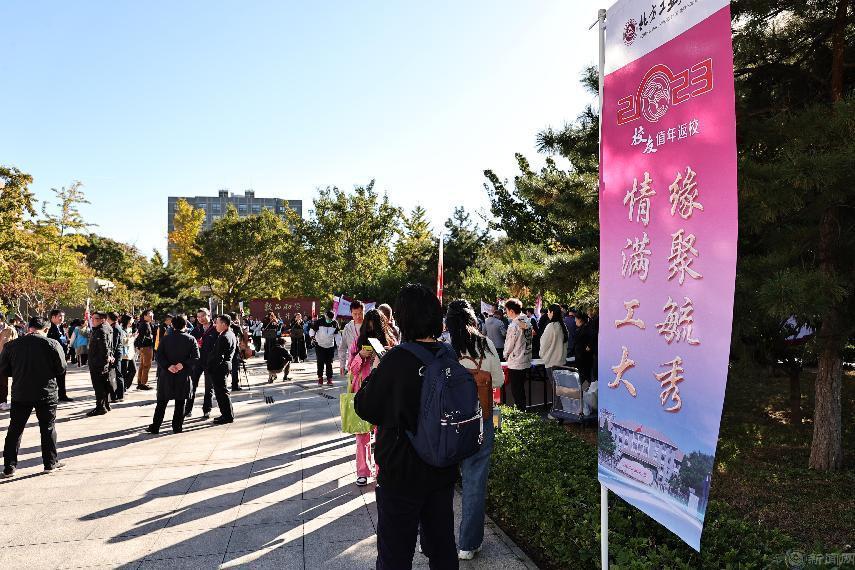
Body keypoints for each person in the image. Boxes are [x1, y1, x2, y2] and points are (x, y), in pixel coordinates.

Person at [354, 284, 459, 569]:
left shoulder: (397, 359)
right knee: (442, 546)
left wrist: (376, 373)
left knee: (395, 555)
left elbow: (365, 407)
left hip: (402, 470)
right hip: (442, 466)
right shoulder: (448, 355)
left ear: (403, 319)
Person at [444, 300, 503, 560]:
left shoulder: (445, 348)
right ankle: (468, 545)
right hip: (480, 420)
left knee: (442, 482)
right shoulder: (485, 344)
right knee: (475, 482)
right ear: (472, 319)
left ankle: (436, 538)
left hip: (449, 423)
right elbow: (498, 380)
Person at [1, 316, 67, 478]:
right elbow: (61, 368)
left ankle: (9, 466)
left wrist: (20, 372)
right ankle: (50, 463)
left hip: (21, 392)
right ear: (46, 329)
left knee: (15, 429)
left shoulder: (11, 345)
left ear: (29, 328)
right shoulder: (52, 344)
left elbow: (4, 370)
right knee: (48, 428)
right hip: (46, 392)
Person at [347, 308, 396, 486]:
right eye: (367, 328)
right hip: (363, 392)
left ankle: (381, 471)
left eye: (374, 328)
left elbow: (399, 368)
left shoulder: (391, 342)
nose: (370, 332)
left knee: (382, 434)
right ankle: (362, 472)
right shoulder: (357, 343)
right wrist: (360, 356)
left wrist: (388, 354)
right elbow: (351, 369)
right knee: (362, 434)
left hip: (384, 394)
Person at [147, 315, 200, 434]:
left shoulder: (165, 339)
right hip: (183, 374)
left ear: (172, 325)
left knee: (162, 402)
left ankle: (155, 426)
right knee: (180, 402)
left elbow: (158, 356)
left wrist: (168, 366)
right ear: (185, 325)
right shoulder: (191, 339)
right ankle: (177, 427)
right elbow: (196, 357)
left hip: (166, 374)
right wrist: (183, 364)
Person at [186, 308, 219, 419]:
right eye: (198, 317)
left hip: (210, 362)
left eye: (203, 316)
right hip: (197, 362)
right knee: (192, 385)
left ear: (209, 315)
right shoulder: (196, 330)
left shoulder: (216, 329)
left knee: (209, 387)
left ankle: (207, 409)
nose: (201, 319)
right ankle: (188, 409)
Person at [207, 314, 237, 425]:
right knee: (221, 392)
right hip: (223, 366)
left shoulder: (225, 336)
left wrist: (211, 367)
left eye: (217, 323)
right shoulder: (229, 334)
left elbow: (218, 356)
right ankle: (226, 414)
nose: (215, 325)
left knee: (222, 393)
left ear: (224, 324)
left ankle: (227, 416)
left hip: (219, 368)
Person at [504, 298, 532, 411]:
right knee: (521, 388)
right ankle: (523, 411)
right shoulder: (527, 321)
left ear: (511, 311)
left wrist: (505, 354)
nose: (506, 312)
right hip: (526, 358)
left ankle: (521, 412)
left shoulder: (514, 326)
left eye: (506, 310)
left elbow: (510, 344)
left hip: (516, 361)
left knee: (516, 390)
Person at [87, 312, 114, 416]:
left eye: (95, 318)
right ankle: (106, 404)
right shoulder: (107, 328)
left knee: (98, 386)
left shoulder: (101, 330)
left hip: (98, 363)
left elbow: (105, 346)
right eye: (92, 318)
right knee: (104, 384)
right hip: (101, 362)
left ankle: (100, 407)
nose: (92, 320)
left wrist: (107, 356)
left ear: (103, 319)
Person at [46, 310, 73, 402]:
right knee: (52, 378)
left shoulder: (61, 327)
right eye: (60, 316)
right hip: (53, 357)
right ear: (53, 317)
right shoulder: (49, 328)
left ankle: (62, 395)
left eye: (63, 316)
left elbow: (63, 340)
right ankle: (51, 396)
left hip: (62, 355)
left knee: (61, 376)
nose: (62, 318)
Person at [309, 310, 340, 386]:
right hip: (320, 345)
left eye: (331, 319)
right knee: (320, 362)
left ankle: (329, 379)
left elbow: (337, 334)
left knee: (329, 363)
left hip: (330, 346)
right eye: (328, 318)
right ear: (326, 316)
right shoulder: (319, 322)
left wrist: (339, 344)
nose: (329, 320)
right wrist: (312, 337)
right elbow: (312, 330)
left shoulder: (334, 323)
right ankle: (320, 378)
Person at [539, 304, 569, 381]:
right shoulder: (563, 325)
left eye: (548, 312)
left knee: (555, 386)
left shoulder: (551, 326)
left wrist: (543, 356)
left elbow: (544, 344)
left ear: (552, 312)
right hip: (561, 362)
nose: (547, 314)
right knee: (560, 386)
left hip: (552, 363)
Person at [338, 300, 364, 377]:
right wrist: (342, 365)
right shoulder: (347, 328)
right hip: (353, 365)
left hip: (367, 365)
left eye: (360, 313)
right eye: (355, 314)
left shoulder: (369, 326)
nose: (358, 316)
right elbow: (342, 348)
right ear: (351, 313)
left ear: (364, 311)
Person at [0, 314, 19, 411]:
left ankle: (2, 402)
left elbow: (16, 345)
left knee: (3, 382)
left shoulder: (10, 330)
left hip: (4, 360)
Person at [106, 312, 126, 403]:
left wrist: (111, 355)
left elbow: (114, 343)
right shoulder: (115, 326)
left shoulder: (115, 328)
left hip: (116, 354)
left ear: (109, 318)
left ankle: (119, 395)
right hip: (117, 353)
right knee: (116, 374)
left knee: (117, 374)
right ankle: (117, 395)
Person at [134, 309, 156, 390]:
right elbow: (142, 337)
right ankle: (143, 383)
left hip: (144, 347)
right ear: (145, 316)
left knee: (142, 366)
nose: (151, 316)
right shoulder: (145, 324)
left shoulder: (144, 324)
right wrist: (150, 338)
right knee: (146, 366)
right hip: (146, 347)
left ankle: (140, 382)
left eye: (152, 315)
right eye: (150, 315)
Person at [574, 312, 594, 385]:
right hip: (583, 356)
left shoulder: (584, 329)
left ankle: (585, 389)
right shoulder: (585, 328)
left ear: (580, 319)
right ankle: (585, 388)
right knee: (584, 375)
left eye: (576, 318)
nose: (575, 320)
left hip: (583, 357)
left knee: (584, 375)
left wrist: (589, 346)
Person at [120, 314, 138, 390]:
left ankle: (125, 386)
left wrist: (132, 336)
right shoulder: (121, 329)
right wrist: (133, 337)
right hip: (124, 355)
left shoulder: (129, 328)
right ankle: (122, 388)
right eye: (131, 320)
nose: (132, 321)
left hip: (130, 353)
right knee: (123, 372)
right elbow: (124, 342)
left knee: (133, 370)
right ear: (127, 320)